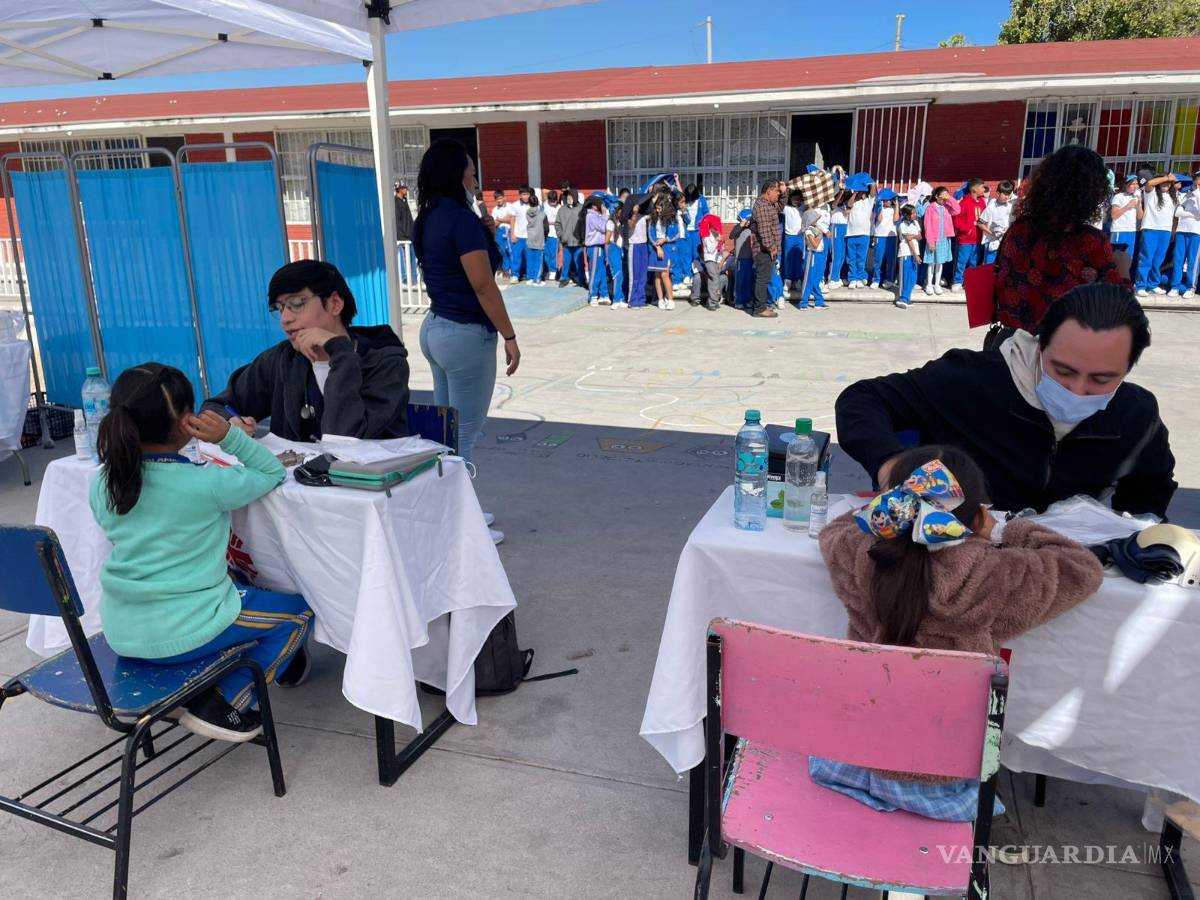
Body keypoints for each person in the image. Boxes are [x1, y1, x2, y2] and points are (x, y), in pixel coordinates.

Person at [813, 445, 1103, 821]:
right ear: (977, 513)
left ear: (892, 502)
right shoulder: (992, 574)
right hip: (942, 780)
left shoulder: (856, 552)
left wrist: (891, 513)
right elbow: (1083, 568)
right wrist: (1002, 528)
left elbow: (836, 528)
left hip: (851, 759)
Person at [94, 363, 313, 743]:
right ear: (186, 423)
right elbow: (270, 473)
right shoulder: (204, 482)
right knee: (297, 615)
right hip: (185, 629)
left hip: (123, 629)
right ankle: (225, 700)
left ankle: (205, 683)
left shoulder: (104, 481)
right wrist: (229, 435)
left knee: (238, 581)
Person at [835, 283, 1176, 518]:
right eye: (1063, 370)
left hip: (1069, 568)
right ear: (1040, 347)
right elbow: (862, 399)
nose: (1077, 389)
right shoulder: (971, 380)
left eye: (1101, 379)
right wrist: (890, 464)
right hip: (962, 557)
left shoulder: (1135, 415)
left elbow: (1149, 498)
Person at [411, 140, 520, 543]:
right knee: (463, 434)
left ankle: (452, 511)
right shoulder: (460, 219)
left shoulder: (429, 218)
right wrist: (509, 335)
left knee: (446, 432)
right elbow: (483, 286)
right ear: (456, 174)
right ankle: (464, 531)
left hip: (435, 326)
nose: (475, 178)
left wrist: (486, 234)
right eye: (471, 171)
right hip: (464, 334)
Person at [202, 260, 409, 442]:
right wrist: (231, 422)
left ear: (335, 303)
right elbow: (214, 407)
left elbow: (344, 442)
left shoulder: (386, 362)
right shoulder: (282, 359)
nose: (285, 319)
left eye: (296, 304)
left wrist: (340, 352)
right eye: (280, 308)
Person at [994, 145, 1130, 336]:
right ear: (1091, 193)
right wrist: (1123, 266)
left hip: (1013, 347)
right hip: (1062, 352)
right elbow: (1120, 308)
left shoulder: (1019, 230)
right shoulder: (1090, 241)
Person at [1136, 174, 1179, 296]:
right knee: (1146, 258)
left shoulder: (1172, 196)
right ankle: (1140, 285)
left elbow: (1174, 216)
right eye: (1164, 183)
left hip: (1165, 231)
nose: (1166, 185)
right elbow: (1149, 183)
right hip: (1150, 229)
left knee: (1158, 260)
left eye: (1168, 184)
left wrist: (1173, 230)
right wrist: (1167, 177)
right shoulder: (1151, 192)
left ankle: (1153, 284)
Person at [748, 179, 784, 318]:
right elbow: (764, 230)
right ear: (769, 191)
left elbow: (781, 206)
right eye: (777, 191)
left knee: (764, 279)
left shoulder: (769, 204)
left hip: (768, 249)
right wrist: (771, 248)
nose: (778, 195)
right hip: (764, 250)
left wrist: (784, 191)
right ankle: (759, 308)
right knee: (762, 280)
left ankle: (760, 306)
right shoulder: (762, 206)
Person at [950, 178, 987, 291]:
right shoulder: (965, 202)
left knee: (974, 262)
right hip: (965, 239)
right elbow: (956, 220)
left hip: (978, 239)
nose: (983, 189)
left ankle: (970, 282)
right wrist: (967, 230)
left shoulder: (982, 202)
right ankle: (957, 281)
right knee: (962, 261)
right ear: (974, 189)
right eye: (982, 187)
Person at [921, 186, 958, 295]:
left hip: (944, 238)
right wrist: (931, 242)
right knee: (931, 263)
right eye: (943, 196)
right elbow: (927, 225)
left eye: (946, 196)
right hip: (933, 239)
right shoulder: (930, 208)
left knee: (940, 262)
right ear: (937, 196)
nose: (944, 199)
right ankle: (928, 284)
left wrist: (950, 198)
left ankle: (937, 284)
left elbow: (957, 209)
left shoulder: (947, 207)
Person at [1171, 177, 1200, 299]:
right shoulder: (1185, 194)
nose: (1197, 182)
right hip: (1182, 230)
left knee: (1193, 262)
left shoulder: (1195, 194)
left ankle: (1190, 287)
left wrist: (1197, 194)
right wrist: (1193, 214)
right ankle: (1175, 286)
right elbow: (1177, 212)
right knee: (1178, 260)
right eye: (1196, 179)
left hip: (1196, 232)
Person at [796, 203, 829, 310]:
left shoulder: (817, 227)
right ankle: (803, 303)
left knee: (816, 279)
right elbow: (814, 244)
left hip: (819, 255)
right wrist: (820, 236)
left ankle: (819, 302)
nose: (816, 220)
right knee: (808, 279)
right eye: (814, 219)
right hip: (812, 255)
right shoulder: (808, 230)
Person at [691, 213, 726, 311]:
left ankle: (713, 301)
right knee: (714, 278)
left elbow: (721, 249)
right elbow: (710, 249)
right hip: (709, 259)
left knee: (714, 279)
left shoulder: (716, 234)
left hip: (715, 259)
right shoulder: (706, 235)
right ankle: (711, 302)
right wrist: (717, 241)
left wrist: (720, 242)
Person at [977, 180, 1015, 265]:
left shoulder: (1010, 207)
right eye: (1005, 194)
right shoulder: (991, 207)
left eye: (1008, 194)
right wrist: (992, 233)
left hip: (1005, 242)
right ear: (998, 193)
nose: (1007, 197)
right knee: (989, 267)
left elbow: (1013, 223)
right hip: (992, 242)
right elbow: (980, 223)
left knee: (1002, 267)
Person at [894, 203, 922, 309]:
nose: (915, 214)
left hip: (915, 253)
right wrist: (915, 255)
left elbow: (919, 236)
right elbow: (908, 240)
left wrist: (913, 236)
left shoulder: (915, 223)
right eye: (913, 213)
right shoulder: (902, 225)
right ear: (907, 214)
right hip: (906, 252)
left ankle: (907, 297)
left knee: (912, 277)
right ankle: (902, 298)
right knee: (904, 277)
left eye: (915, 212)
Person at [556, 190, 586, 288]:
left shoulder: (582, 208)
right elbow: (557, 223)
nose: (569, 198)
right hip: (566, 241)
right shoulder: (562, 209)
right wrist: (561, 235)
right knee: (566, 262)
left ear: (575, 197)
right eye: (568, 197)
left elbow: (586, 224)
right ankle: (564, 279)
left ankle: (581, 280)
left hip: (578, 241)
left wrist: (583, 237)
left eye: (571, 196)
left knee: (580, 263)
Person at [648, 204, 675, 309]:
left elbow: (677, 233)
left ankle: (670, 299)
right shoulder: (653, 220)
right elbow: (650, 234)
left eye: (660, 208)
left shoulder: (672, 219)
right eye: (657, 208)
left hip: (668, 248)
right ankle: (660, 300)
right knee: (657, 275)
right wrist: (657, 246)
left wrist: (666, 239)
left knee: (665, 274)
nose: (658, 210)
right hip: (656, 248)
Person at [584, 195, 609, 306]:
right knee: (594, 272)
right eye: (600, 204)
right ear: (594, 206)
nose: (602, 206)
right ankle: (593, 295)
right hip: (594, 247)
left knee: (602, 271)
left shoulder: (596, 215)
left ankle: (604, 295)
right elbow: (603, 227)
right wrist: (604, 215)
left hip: (601, 246)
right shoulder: (591, 215)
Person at [625, 198, 651, 309]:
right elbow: (631, 225)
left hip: (643, 245)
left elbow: (652, 215)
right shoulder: (629, 218)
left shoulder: (644, 216)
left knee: (643, 274)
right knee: (634, 275)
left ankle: (641, 299)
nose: (638, 207)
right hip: (634, 246)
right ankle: (632, 300)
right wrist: (634, 213)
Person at [1109, 174, 1142, 259]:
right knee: (1117, 257)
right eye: (1133, 184)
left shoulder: (1136, 198)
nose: (1135, 186)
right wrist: (1128, 206)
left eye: (1136, 184)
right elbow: (1114, 215)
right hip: (1119, 230)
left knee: (1128, 258)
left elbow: (1140, 216)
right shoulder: (1119, 196)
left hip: (1131, 231)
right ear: (1126, 185)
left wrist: (1139, 204)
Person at [870, 191, 897, 289]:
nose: (889, 202)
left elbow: (896, 219)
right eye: (886, 200)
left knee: (890, 260)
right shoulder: (878, 207)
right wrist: (880, 205)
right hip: (880, 236)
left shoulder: (894, 209)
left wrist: (897, 205)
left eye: (890, 200)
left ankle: (889, 279)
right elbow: (880, 219)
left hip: (891, 237)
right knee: (878, 259)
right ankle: (876, 280)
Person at [844, 191, 872, 289]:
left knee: (861, 258)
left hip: (864, 234)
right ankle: (852, 279)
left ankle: (860, 278)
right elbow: (849, 204)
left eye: (862, 191)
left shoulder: (869, 201)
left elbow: (872, 192)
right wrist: (855, 193)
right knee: (851, 258)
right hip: (851, 233)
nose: (861, 193)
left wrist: (868, 187)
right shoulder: (853, 201)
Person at [781, 189, 806, 297]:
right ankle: (788, 281)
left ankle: (798, 280)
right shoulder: (786, 208)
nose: (797, 201)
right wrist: (785, 191)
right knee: (788, 259)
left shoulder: (803, 208)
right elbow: (782, 202)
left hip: (800, 237)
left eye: (798, 199)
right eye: (794, 199)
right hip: (789, 237)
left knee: (799, 259)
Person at [825, 190, 849, 291]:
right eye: (839, 197)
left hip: (844, 229)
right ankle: (831, 279)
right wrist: (841, 193)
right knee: (836, 255)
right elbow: (834, 204)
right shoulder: (831, 205)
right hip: (835, 228)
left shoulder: (844, 206)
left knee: (842, 255)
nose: (841, 198)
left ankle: (837, 277)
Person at [523, 190, 547, 286]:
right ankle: (537, 279)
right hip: (539, 239)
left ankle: (530, 278)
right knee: (538, 260)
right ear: (537, 202)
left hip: (530, 238)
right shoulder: (541, 213)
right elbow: (545, 226)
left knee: (530, 260)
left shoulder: (527, 212)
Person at [394, 180, 416, 282]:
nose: (406, 190)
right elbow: (397, 221)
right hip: (403, 236)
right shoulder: (395, 202)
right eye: (404, 188)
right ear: (399, 189)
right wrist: (401, 236)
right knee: (403, 257)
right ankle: (405, 277)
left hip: (409, 234)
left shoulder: (404, 200)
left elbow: (409, 218)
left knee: (412, 256)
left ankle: (414, 277)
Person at [509, 186, 532, 282]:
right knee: (516, 257)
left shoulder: (534, 205)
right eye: (524, 194)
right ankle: (515, 275)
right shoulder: (515, 205)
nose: (526, 196)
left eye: (527, 194)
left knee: (530, 258)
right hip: (518, 236)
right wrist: (512, 234)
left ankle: (530, 276)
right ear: (520, 195)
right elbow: (512, 220)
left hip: (530, 236)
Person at [606, 204, 626, 307]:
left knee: (621, 275)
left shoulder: (620, 222)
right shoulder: (610, 222)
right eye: (620, 211)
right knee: (617, 275)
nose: (622, 213)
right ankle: (616, 300)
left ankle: (621, 298)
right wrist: (607, 255)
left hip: (620, 249)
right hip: (613, 249)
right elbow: (607, 239)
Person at [492, 189, 514, 279]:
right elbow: (494, 223)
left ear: (504, 197)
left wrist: (500, 219)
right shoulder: (495, 209)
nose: (499, 200)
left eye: (501, 198)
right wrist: (504, 218)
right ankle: (505, 270)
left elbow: (511, 219)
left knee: (510, 250)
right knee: (502, 251)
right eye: (497, 199)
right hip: (499, 231)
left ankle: (512, 270)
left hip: (508, 230)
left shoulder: (510, 206)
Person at [542, 189, 561, 282]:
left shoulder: (560, 207)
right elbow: (543, 191)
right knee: (546, 253)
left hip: (555, 233)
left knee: (554, 254)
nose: (553, 203)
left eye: (554, 201)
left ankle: (553, 271)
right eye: (551, 201)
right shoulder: (544, 205)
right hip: (545, 233)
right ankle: (548, 270)